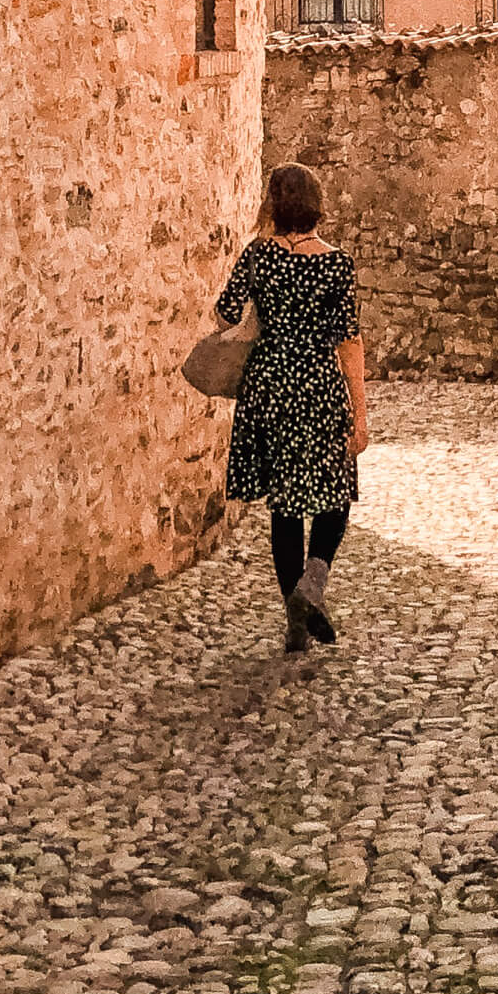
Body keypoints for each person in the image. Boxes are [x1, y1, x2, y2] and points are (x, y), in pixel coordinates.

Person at [213, 162, 368, 653]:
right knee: (335, 493)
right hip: (320, 385)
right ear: (316, 204)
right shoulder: (336, 263)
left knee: (284, 504)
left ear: (274, 205)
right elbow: (349, 340)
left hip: (270, 387)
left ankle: (294, 619)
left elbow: (225, 310)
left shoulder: (258, 256)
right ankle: (312, 586)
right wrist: (360, 415)